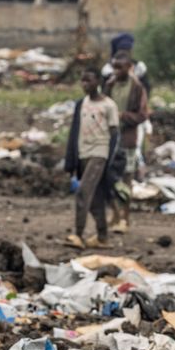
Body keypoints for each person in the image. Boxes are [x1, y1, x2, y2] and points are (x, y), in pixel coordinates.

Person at [64, 68, 120, 249]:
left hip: (99, 153)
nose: (85, 85)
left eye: (88, 81)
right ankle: (102, 236)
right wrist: (71, 160)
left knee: (82, 192)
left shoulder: (108, 105)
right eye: (82, 81)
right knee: (95, 197)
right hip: (83, 152)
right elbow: (75, 131)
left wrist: (108, 160)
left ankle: (78, 234)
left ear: (98, 82)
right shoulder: (81, 104)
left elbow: (114, 134)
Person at [104, 50, 148, 234]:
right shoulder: (109, 85)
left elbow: (142, 114)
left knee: (127, 179)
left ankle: (125, 217)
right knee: (109, 178)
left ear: (129, 68)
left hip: (128, 139)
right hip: (110, 139)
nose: (116, 71)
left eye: (119, 67)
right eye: (114, 67)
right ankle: (114, 213)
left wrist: (122, 116)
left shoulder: (137, 88)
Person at [101, 33, 153, 178]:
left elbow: (142, 110)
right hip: (112, 129)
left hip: (129, 127)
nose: (117, 71)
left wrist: (123, 116)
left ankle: (136, 177)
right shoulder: (109, 77)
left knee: (132, 155)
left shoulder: (137, 81)